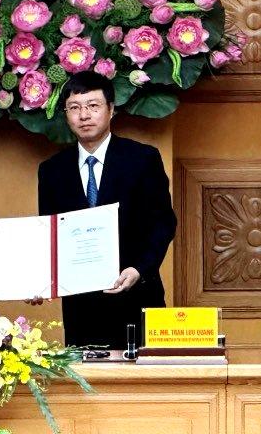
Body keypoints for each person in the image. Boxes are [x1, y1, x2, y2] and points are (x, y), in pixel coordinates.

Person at [36, 71, 176, 349]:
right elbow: (48, 233)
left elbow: (163, 223)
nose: (84, 115)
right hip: (80, 306)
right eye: (74, 108)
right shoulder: (52, 170)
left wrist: (139, 269)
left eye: (93, 106)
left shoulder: (143, 159)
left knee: (142, 388)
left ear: (111, 110)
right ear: (66, 114)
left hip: (136, 295)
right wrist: (39, 280)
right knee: (87, 387)